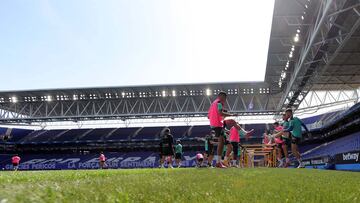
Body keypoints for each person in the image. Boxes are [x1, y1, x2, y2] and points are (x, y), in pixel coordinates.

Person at [208, 91, 235, 168]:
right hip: (218, 124)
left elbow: (208, 116)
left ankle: (222, 161)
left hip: (215, 124)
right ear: (221, 96)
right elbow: (220, 113)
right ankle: (218, 162)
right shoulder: (219, 103)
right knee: (221, 142)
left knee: (226, 144)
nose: (225, 100)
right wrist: (231, 115)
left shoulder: (213, 104)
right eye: (225, 97)